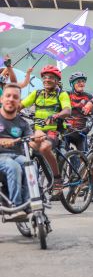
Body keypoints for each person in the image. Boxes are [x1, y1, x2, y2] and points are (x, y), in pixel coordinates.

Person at [20, 65, 71, 198]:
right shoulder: (37, 93)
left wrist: (56, 115)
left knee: (44, 148)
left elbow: (67, 110)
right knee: (22, 146)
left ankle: (58, 180)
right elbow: (20, 105)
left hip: (52, 132)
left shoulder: (62, 94)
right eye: (45, 77)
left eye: (51, 77)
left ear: (57, 81)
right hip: (37, 132)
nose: (47, 79)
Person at [0, 84, 42, 221]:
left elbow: (33, 145)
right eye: (8, 96)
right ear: (2, 99)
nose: (11, 99)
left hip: (18, 156)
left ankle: (29, 204)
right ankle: (15, 207)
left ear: (19, 102)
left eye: (15, 97)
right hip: (2, 157)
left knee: (30, 165)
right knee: (14, 166)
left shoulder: (23, 123)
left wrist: (38, 138)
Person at [65, 72, 93, 152]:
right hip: (66, 131)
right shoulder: (66, 95)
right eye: (78, 81)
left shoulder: (88, 96)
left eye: (83, 81)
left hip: (81, 132)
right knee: (62, 157)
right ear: (72, 84)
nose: (81, 83)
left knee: (83, 159)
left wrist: (87, 129)